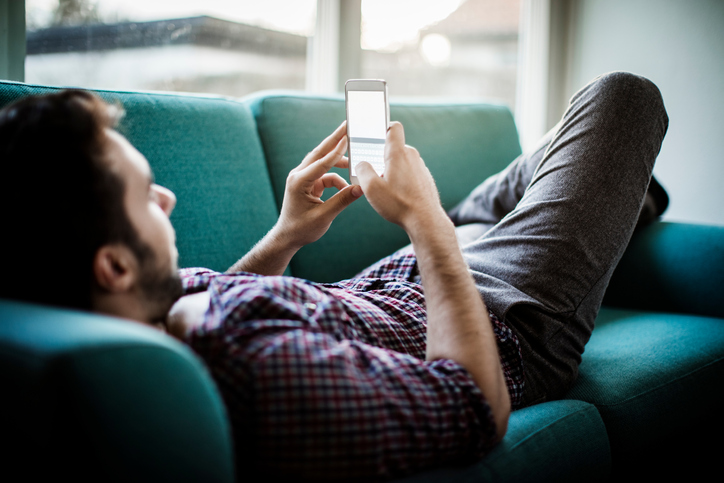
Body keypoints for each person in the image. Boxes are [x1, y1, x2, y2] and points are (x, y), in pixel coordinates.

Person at [0, 71, 668, 480]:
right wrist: (426, 220)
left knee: (555, 165)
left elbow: (218, 302)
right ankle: (621, 197)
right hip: (501, 316)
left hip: (399, 278)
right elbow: (473, 403)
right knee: (624, 100)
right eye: (146, 194)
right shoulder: (254, 369)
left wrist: (287, 234)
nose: (167, 198)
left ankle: (622, 198)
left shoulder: (148, 312)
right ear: (112, 265)